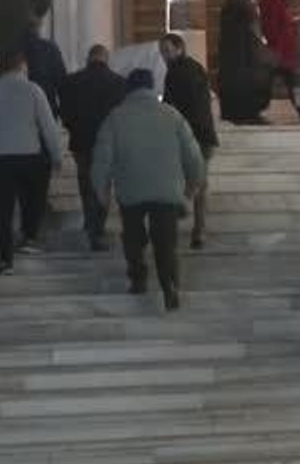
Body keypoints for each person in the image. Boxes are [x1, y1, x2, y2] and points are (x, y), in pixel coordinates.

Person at [92, 69, 205, 311]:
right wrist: (192, 187)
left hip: (131, 189)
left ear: (128, 89)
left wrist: (101, 191)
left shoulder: (115, 117)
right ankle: (169, 285)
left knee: (133, 237)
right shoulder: (172, 115)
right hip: (167, 190)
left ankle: (138, 278)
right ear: (152, 87)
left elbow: (101, 159)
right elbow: (193, 156)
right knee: (166, 243)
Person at [0, 50, 63, 276]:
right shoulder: (33, 90)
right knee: (33, 199)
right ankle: (29, 237)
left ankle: (6, 261)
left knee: (2, 211)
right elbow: (48, 127)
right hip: (28, 156)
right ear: (23, 67)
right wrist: (56, 155)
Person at [59, 45, 128, 251]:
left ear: (88, 58)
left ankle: (90, 222)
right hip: (108, 143)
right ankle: (97, 227)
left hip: (81, 141)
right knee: (103, 184)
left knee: (85, 183)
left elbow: (65, 113)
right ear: (106, 59)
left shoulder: (71, 81)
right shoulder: (120, 83)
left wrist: (73, 127)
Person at [159, 33, 218, 249]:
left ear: (179, 48)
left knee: (183, 180)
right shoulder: (197, 68)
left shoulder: (175, 72)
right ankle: (199, 230)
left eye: (166, 50)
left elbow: (170, 106)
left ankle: (180, 213)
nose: (163, 55)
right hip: (204, 135)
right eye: (161, 51)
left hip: (190, 136)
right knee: (200, 183)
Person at [216, 0, 273, 124]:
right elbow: (254, 30)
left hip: (231, 63)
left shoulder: (229, 5)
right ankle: (249, 114)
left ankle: (236, 114)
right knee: (251, 85)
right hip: (246, 61)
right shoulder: (246, 6)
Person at [257, 0, 300, 119]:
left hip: (281, 50)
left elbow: (279, 22)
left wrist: (291, 22)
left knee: (285, 82)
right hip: (278, 51)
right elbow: (270, 26)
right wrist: (276, 47)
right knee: (288, 82)